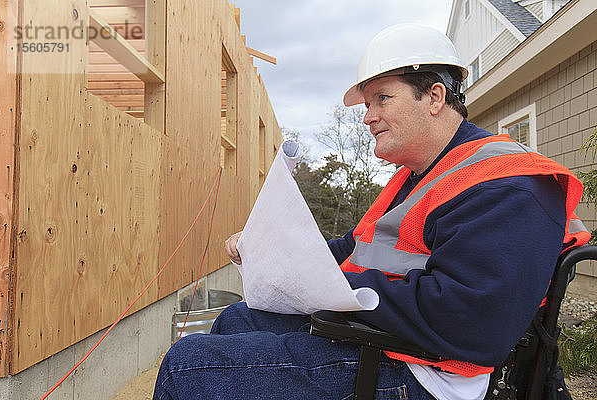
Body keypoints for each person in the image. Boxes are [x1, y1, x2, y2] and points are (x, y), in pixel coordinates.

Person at [153, 24, 590, 400]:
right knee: (236, 319)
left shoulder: (507, 184)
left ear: (434, 96)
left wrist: (334, 291)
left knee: (185, 367)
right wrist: (269, 250)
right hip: (388, 338)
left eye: (382, 98)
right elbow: (354, 249)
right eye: (367, 104)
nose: (368, 117)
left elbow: (473, 322)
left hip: (427, 373)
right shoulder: (417, 175)